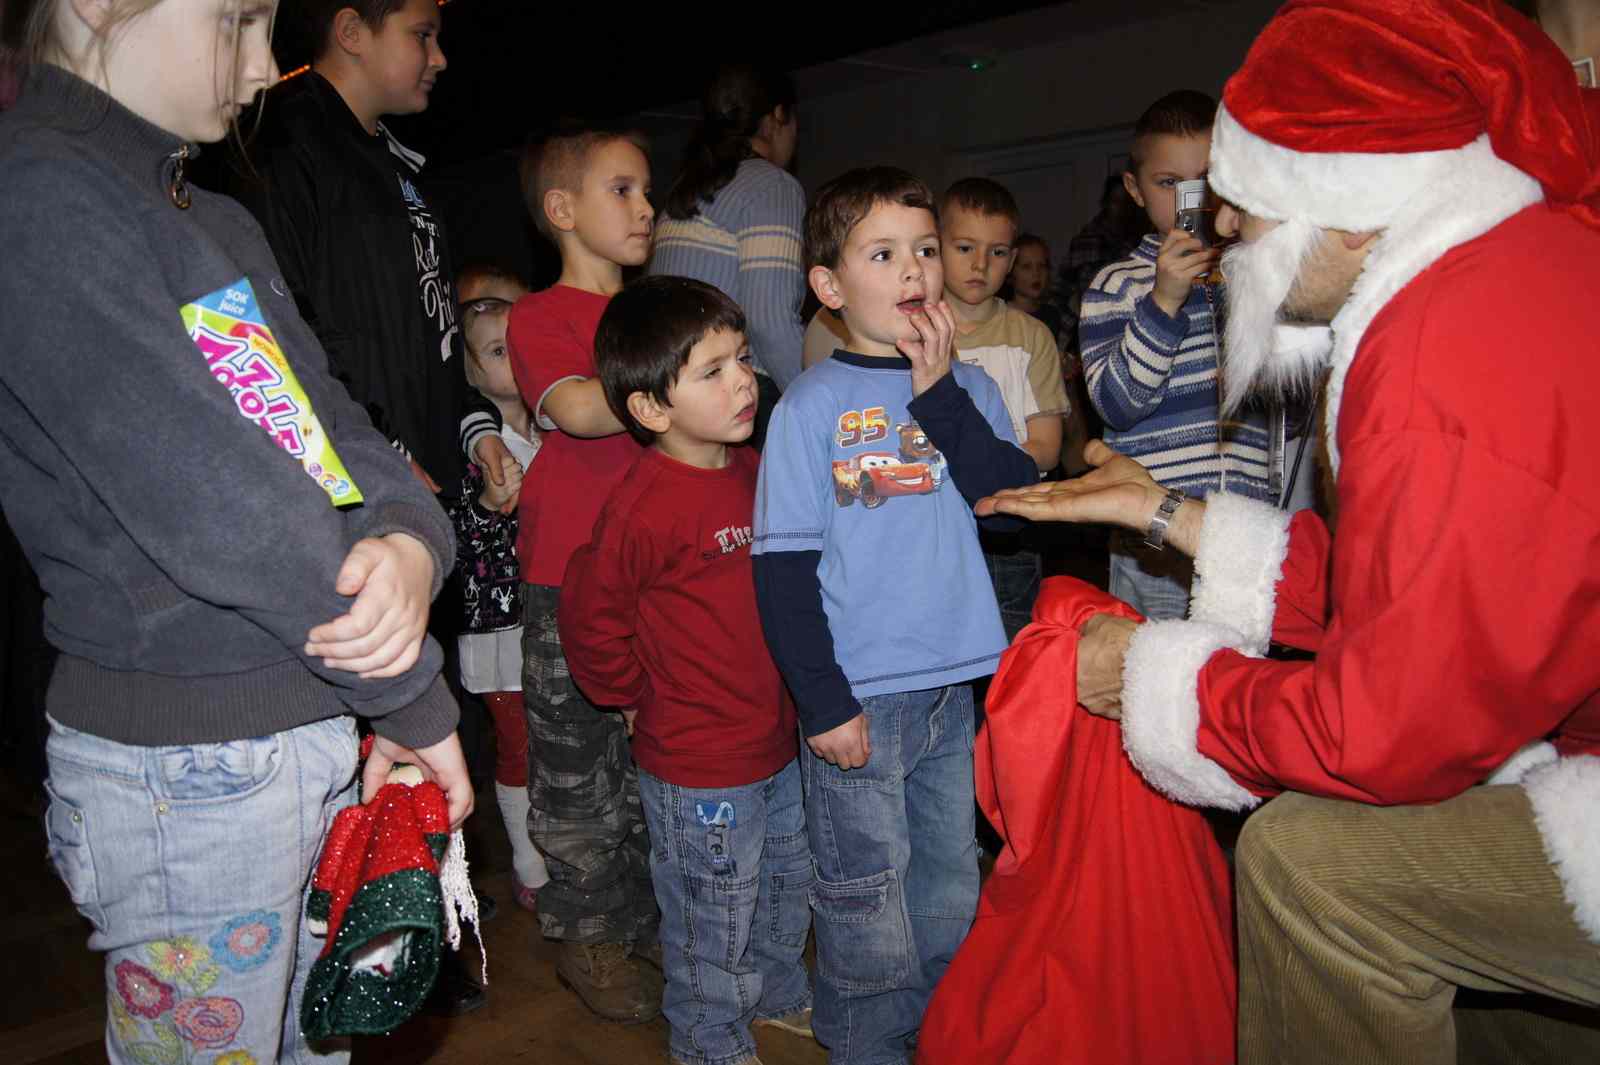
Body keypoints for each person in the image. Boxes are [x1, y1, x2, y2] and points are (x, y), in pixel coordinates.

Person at [981, 2, 1600, 1062]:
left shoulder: (1439, 350)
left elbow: (1389, 729)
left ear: (1351, 206)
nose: (1222, 229)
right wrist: (1166, 514)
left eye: (1250, 206)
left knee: (1305, 861)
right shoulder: (1501, 273)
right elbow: (1427, 591)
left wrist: (1155, 673)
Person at [0, 2, 473, 1061]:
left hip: (303, 721)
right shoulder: (36, 194)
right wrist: (408, 690)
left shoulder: (207, 218)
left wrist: (405, 537)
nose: (265, 64)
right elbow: (209, 498)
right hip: (184, 767)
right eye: (238, 18)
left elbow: (330, 427)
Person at [753, 166, 1039, 1064]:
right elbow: (783, 570)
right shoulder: (808, 409)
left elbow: (1009, 495)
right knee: (864, 895)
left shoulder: (970, 390)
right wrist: (822, 701)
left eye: (924, 249)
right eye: (884, 253)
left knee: (950, 879)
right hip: (861, 702)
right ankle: (869, 1044)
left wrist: (938, 392)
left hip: (958, 688)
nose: (915, 269)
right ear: (832, 289)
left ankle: (942, 1032)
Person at [560, 276, 813, 1065]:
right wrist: (627, 697)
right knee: (712, 913)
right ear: (651, 409)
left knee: (782, 883)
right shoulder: (644, 505)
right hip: (699, 764)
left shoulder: (751, 467)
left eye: (741, 358)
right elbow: (589, 611)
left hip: (775, 737)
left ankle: (776, 992)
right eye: (713, 370)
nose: (744, 378)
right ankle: (709, 1039)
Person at [506, 124, 660, 1023]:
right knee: (576, 769)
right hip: (569, 578)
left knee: (654, 762)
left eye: (648, 191)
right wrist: (676, 381)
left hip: (658, 577)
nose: (645, 208)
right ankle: (586, 932)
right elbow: (574, 407)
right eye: (623, 190)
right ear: (562, 210)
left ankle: (641, 916)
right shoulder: (541, 317)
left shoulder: (661, 308)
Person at [238, 0, 512, 499]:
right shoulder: (283, 145)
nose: (440, 57)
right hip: (353, 491)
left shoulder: (397, 163)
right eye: (422, 35)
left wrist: (472, 424)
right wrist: (376, 447)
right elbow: (278, 325)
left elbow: (433, 327)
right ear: (352, 32)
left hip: (424, 487)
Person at [1078, 89, 1276, 622]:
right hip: (1154, 543)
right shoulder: (1114, 285)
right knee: (1152, 679)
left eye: (1207, 181)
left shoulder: (1254, 277)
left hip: (1243, 532)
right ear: (1135, 190)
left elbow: (1284, 411)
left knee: (1236, 684)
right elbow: (1117, 405)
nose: (1191, 199)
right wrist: (1163, 301)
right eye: (1169, 183)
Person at [445, 264, 550, 915]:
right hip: (499, 631)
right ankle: (528, 863)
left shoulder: (554, 426)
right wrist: (489, 498)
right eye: (493, 348)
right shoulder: (473, 444)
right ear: (471, 371)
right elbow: (466, 531)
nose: (511, 357)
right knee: (520, 745)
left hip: (550, 618)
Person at [649, 65, 805, 450]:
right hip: (741, 390)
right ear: (778, 117)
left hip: (682, 392)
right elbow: (770, 322)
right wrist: (817, 401)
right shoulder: (771, 186)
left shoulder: (687, 189)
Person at [939, 178, 1068, 641]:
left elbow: (1049, 448)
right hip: (932, 527)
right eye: (964, 247)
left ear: (1012, 262)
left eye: (996, 252)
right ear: (935, 248)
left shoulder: (1031, 337)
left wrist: (986, 473)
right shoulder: (911, 331)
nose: (979, 264)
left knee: (1009, 655)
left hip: (1010, 531)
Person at [1004, 233, 1064, 340]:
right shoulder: (1000, 314)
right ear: (1010, 272)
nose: (1036, 273)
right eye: (1026, 267)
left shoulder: (1051, 316)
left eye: (1041, 266)